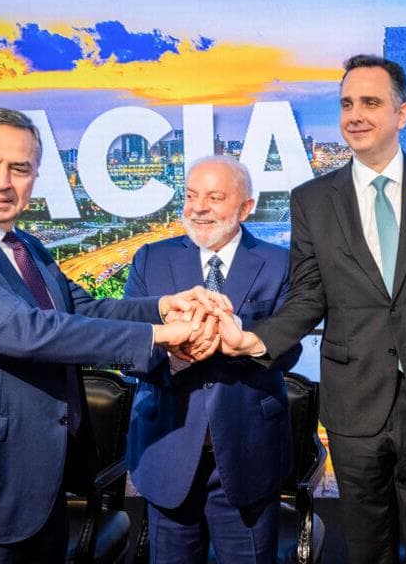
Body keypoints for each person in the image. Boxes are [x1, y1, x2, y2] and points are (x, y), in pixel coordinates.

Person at [213, 54, 406, 564]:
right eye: (346, 104)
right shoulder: (312, 199)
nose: (355, 115)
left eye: (370, 102)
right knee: (366, 545)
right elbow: (308, 295)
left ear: (401, 114)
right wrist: (257, 339)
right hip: (354, 398)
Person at [0, 107, 224, 563]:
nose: (3, 182)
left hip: (44, 476)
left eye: (20, 168)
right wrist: (160, 335)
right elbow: (29, 332)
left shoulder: (27, 246)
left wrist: (164, 305)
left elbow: (84, 309)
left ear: (35, 177)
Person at [125, 155, 300, 564]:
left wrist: (240, 338)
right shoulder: (150, 258)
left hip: (249, 452)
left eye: (214, 197)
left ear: (246, 207)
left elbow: (288, 349)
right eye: (190, 196)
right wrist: (174, 353)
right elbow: (127, 349)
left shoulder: (281, 264)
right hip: (167, 448)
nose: (198, 208)